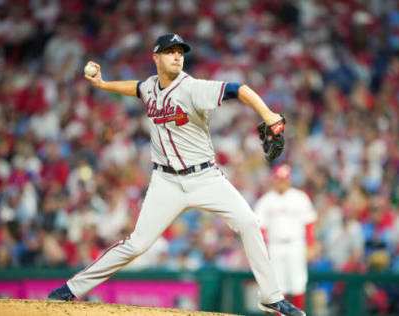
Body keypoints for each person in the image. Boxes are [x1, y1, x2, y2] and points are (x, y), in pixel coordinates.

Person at [47, 33, 305, 316]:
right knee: (136, 244)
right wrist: (103, 84)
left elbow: (238, 88)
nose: (177, 55)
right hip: (165, 182)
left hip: (205, 178)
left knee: (248, 222)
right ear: (155, 57)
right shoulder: (149, 87)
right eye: (170, 51)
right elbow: (136, 88)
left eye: (180, 51)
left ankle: (271, 297)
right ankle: (71, 289)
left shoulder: (192, 88)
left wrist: (268, 114)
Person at [255, 164, 317, 310]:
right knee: (277, 285)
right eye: (278, 179)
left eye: (284, 179)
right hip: (274, 245)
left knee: (298, 283)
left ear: (289, 180)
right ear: (274, 180)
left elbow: (309, 223)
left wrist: (310, 245)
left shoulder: (300, 197)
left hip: (296, 244)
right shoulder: (266, 200)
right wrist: (263, 250)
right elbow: (261, 228)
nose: (281, 182)